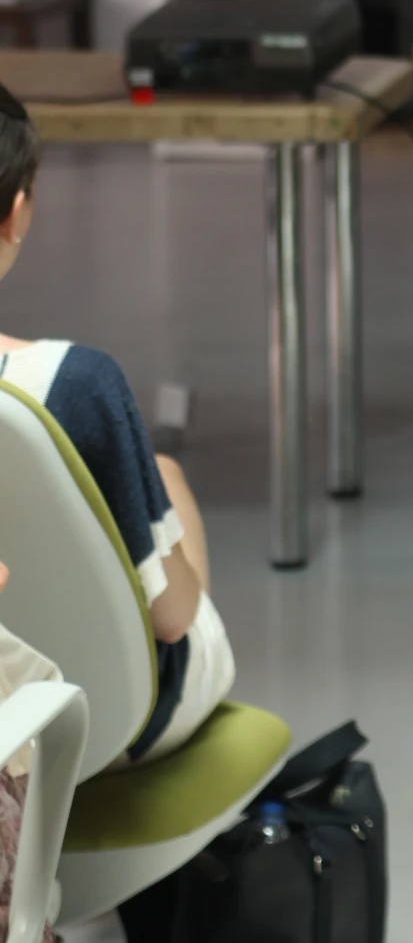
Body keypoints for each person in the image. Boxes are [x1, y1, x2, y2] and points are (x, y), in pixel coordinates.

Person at [0, 85, 236, 762]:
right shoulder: (77, 386)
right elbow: (169, 620)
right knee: (166, 493)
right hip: (94, 724)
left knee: (155, 476)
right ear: (16, 212)